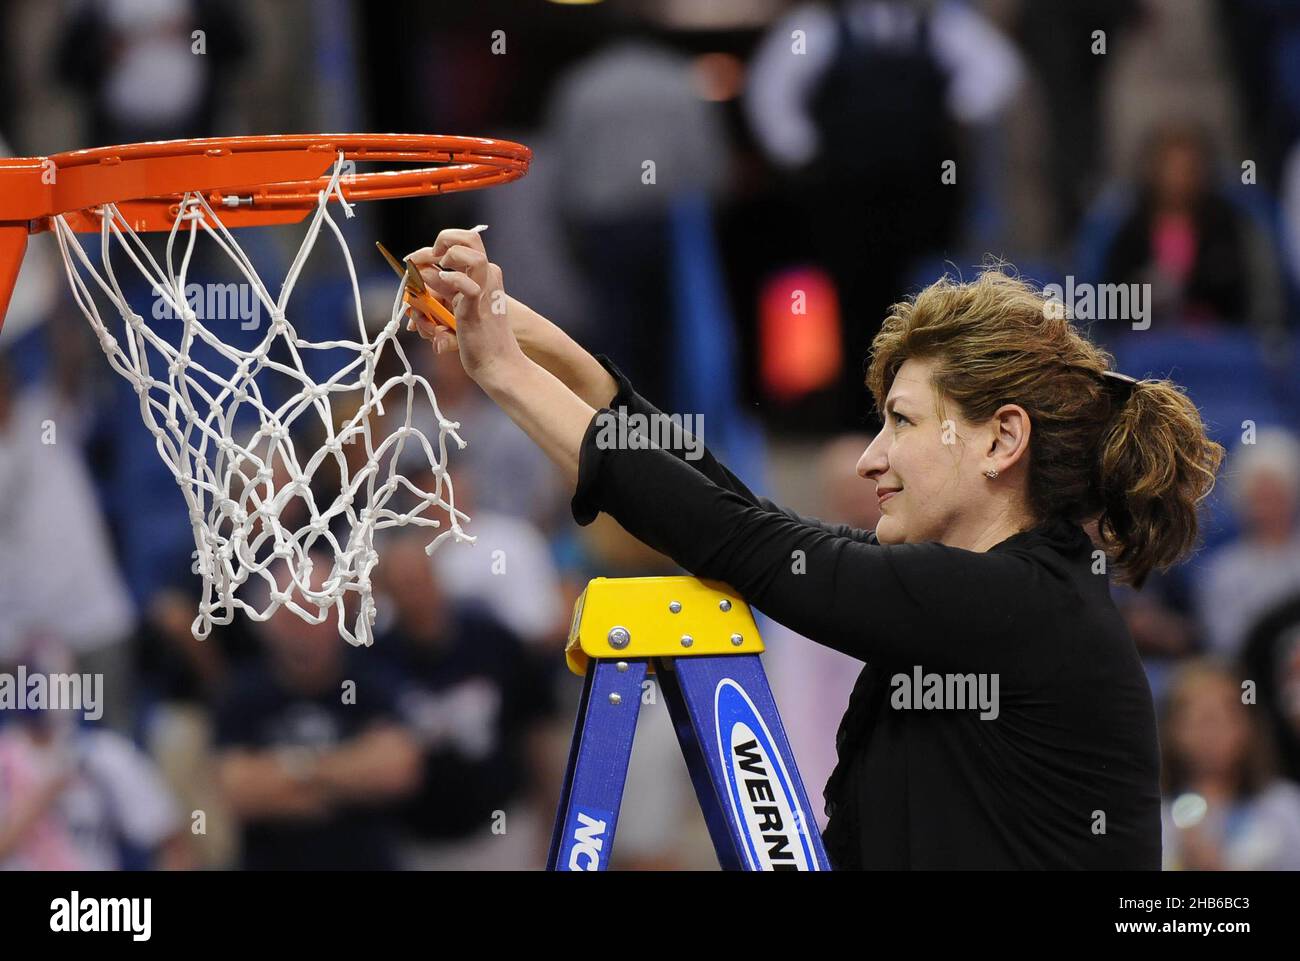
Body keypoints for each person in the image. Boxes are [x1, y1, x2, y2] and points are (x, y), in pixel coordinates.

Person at [401, 229, 1224, 869]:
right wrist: (526, 337)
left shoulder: (1022, 605)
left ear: (1002, 440)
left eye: (899, 421)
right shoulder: (991, 599)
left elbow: (739, 535)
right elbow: (733, 510)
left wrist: (502, 373)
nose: (871, 458)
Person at [1158, 660, 1300, 870]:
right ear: (1173, 731)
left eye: (1225, 716)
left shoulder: (1284, 808)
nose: (1211, 733)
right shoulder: (1156, 818)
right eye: (1200, 720)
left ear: (1249, 726)